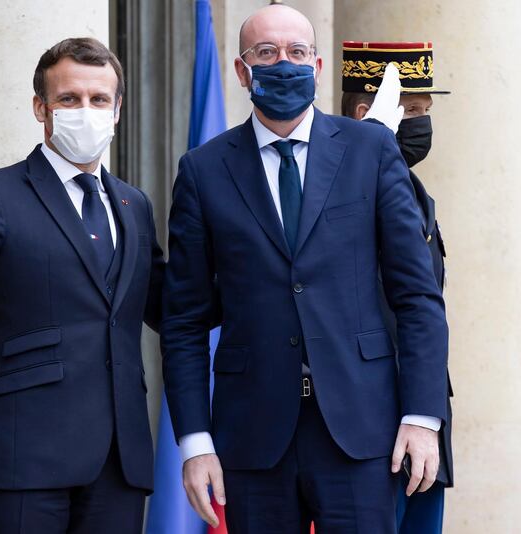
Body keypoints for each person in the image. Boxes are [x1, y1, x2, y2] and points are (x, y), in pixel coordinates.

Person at [160, 5, 449, 533]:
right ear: (243, 71)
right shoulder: (203, 171)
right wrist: (195, 442)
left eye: (297, 52)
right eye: (267, 53)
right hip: (252, 438)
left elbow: (417, 297)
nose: (284, 64)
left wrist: (423, 416)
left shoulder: (371, 150)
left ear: (316, 67)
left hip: (364, 432)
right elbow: (183, 320)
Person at [0, 37, 163, 534]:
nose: (85, 110)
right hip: (21, 458)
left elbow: (169, 304)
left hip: (118, 463)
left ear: (117, 110)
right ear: (40, 108)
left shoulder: (135, 205)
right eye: (69, 99)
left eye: (98, 99)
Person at [340, 41, 454, 534]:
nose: (421, 124)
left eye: (425, 111)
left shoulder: (415, 193)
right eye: (410, 110)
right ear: (369, 113)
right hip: (369, 419)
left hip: (421, 414)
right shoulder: (340, 189)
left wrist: (426, 411)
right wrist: (364, 153)